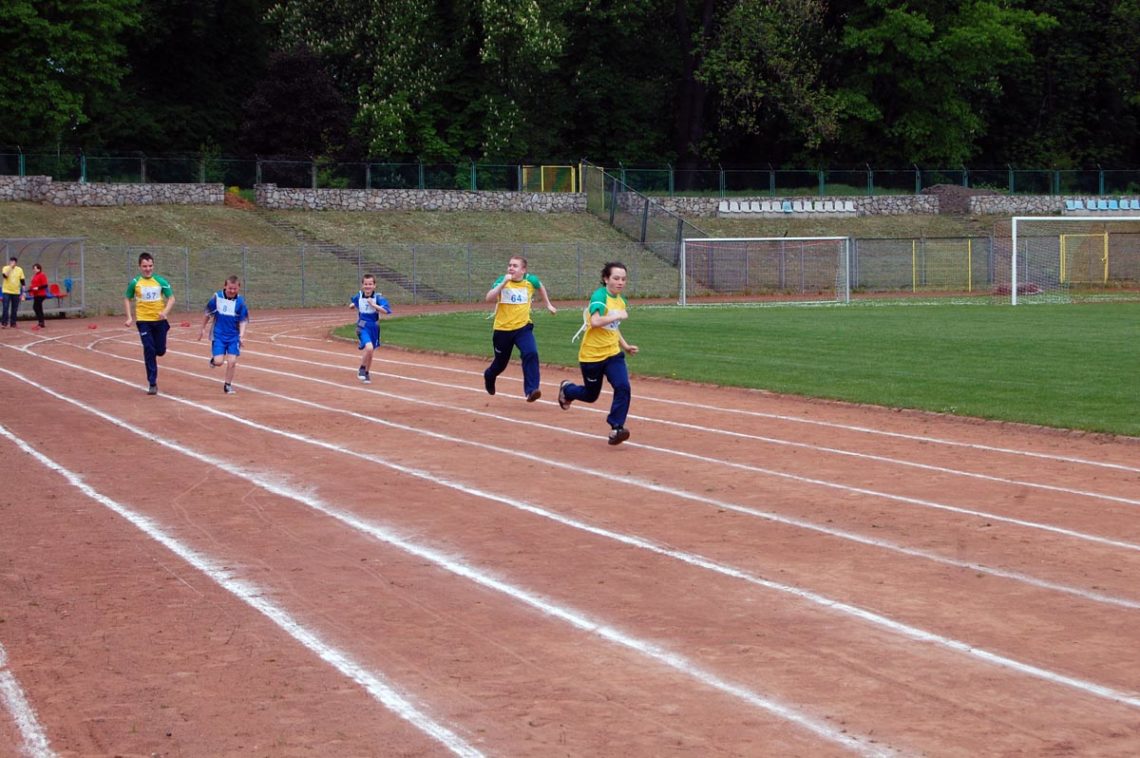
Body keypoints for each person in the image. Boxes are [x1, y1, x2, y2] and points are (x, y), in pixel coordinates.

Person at [557, 262, 639, 445]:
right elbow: (595, 321)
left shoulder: (621, 301)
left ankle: (617, 427)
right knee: (591, 395)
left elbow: (612, 329)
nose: (620, 282)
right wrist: (617, 315)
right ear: (606, 279)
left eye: (623, 279)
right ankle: (567, 389)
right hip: (591, 356)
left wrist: (625, 346)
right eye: (616, 278)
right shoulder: (600, 296)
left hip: (613, 354)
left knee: (623, 386)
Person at [483, 255, 557, 401]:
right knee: (500, 364)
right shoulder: (502, 281)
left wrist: (548, 304)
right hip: (502, 330)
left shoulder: (530, 280)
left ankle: (531, 390)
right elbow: (488, 298)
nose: (511, 268)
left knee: (531, 353)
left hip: (523, 328)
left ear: (523, 270)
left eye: (515, 266)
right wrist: (503, 283)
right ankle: (489, 375)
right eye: (509, 265)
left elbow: (540, 285)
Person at [123, 252, 175, 395]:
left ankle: (162, 340)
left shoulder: (161, 281)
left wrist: (165, 312)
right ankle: (152, 383)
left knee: (160, 351)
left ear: (153, 266)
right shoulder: (135, 282)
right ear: (140, 267)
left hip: (159, 321)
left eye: (150, 266)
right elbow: (127, 298)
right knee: (149, 349)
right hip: (143, 321)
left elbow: (171, 298)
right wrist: (129, 317)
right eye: (145, 266)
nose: (148, 269)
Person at [198, 275, 250, 394]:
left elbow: (243, 320)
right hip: (219, 335)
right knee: (219, 362)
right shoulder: (217, 298)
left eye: (234, 289)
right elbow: (207, 313)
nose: (232, 291)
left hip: (233, 336)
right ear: (225, 286)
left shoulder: (240, 302)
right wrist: (202, 328)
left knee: (232, 362)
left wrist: (241, 336)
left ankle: (227, 385)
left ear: (238, 288)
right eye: (229, 288)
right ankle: (213, 361)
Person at [348, 274, 391, 384]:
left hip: (374, 326)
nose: (368, 286)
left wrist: (374, 305)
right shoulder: (359, 295)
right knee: (369, 348)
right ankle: (362, 368)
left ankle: (366, 373)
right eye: (366, 284)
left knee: (370, 352)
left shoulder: (378, 298)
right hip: (362, 325)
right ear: (362, 285)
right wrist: (352, 305)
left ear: (374, 285)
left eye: (370, 284)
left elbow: (386, 311)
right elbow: (355, 302)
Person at [1, 256, 25, 328]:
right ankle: (4, 323)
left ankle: (13, 322)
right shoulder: (5, 268)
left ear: (16, 263)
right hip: (6, 291)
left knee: (14, 308)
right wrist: (10, 268)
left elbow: (22, 282)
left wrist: (23, 292)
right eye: (11, 261)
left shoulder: (19, 269)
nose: (12, 263)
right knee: (5, 307)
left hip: (16, 292)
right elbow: (5, 276)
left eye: (13, 262)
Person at [27, 263, 48, 329]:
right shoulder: (35, 276)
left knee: (36, 307)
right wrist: (30, 289)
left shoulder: (42, 275)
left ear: (39, 268)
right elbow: (33, 284)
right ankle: (41, 322)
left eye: (35, 268)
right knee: (38, 308)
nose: (34, 270)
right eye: (33, 268)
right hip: (36, 294)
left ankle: (41, 322)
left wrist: (37, 288)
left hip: (41, 294)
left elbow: (45, 285)